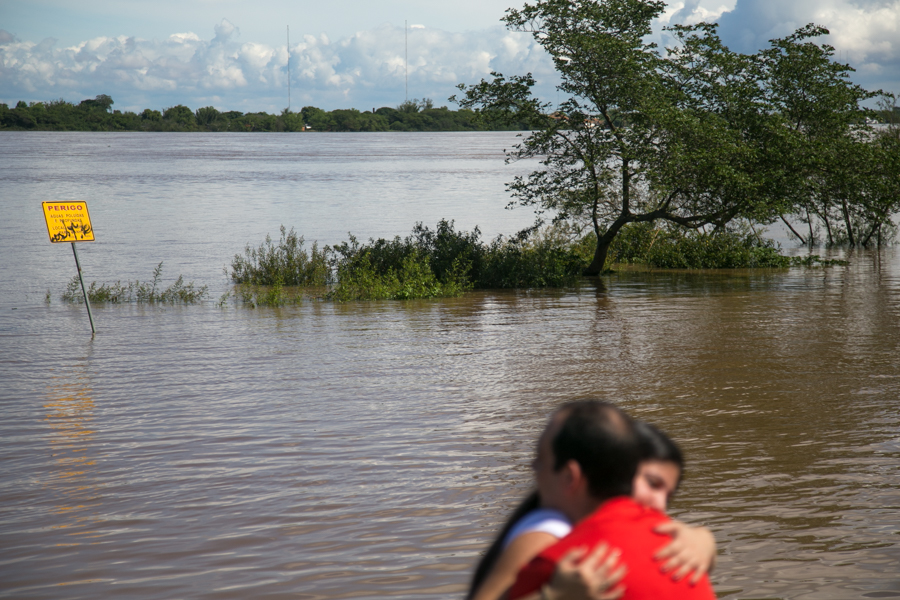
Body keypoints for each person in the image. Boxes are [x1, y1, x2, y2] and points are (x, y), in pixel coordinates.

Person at [467, 418, 715, 600]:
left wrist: (705, 541)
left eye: (668, 495)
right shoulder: (549, 532)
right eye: (652, 483)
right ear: (615, 469)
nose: (660, 504)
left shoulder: (631, 527)